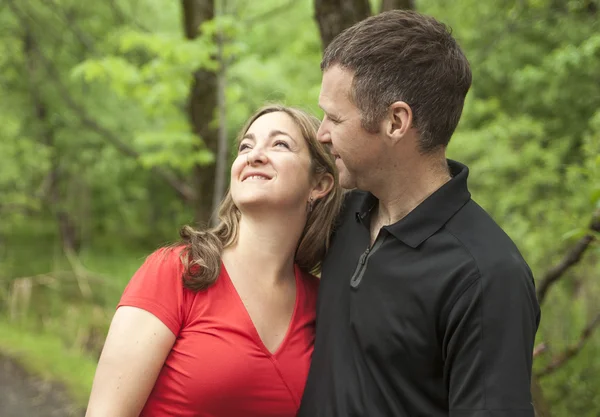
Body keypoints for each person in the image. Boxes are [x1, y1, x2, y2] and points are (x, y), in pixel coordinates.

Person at [298, 10, 541, 417]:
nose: (321, 133)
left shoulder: (485, 275)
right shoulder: (339, 215)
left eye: (336, 118)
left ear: (396, 121)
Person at [85, 104, 342, 417]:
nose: (254, 155)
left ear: (319, 185)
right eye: (246, 145)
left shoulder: (323, 304)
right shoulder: (177, 271)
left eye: (280, 144)